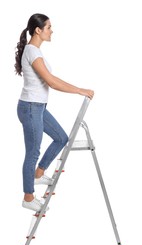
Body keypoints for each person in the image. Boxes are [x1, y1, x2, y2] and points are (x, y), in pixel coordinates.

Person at [15, 13, 94, 212]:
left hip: (38, 107)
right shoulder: (33, 52)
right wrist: (80, 90)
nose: (52, 31)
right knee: (32, 153)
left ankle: (39, 173)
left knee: (61, 137)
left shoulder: (34, 51)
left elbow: (50, 78)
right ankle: (28, 196)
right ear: (38, 30)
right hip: (31, 108)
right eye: (49, 27)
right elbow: (51, 81)